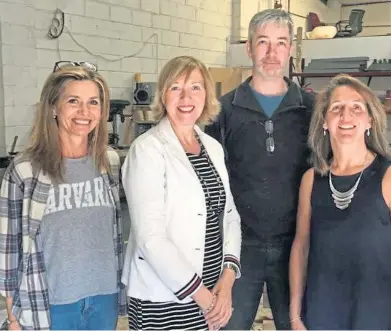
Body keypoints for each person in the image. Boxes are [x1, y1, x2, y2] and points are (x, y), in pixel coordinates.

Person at [205, 9, 314, 330]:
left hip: (297, 246)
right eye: (263, 42)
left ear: (291, 49)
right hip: (239, 249)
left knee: (298, 325)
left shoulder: (312, 110)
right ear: (249, 48)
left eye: (281, 43)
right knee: (227, 325)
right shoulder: (221, 111)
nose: (271, 52)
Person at [0, 63, 127, 330]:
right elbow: (8, 250)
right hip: (50, 304)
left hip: (104, 298)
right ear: (54, 108)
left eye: (93, 102)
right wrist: (12, 317)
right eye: (73, 101)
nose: (84, 112)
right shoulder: (25, 171)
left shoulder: (109, 163)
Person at [122, 55, 242, 330]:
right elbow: (150, 239)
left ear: (206, 95)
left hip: (213, 292)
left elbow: (230, 216)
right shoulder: (147, 150)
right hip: (165, 299)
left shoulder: (212, 147)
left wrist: (227, 281)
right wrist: (204, 299)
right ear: (163, 95)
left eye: (195, 87)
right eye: (176, 87)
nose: (186, 97)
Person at [289, 74, 391, 330]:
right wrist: (295, 316)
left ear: (370, 120)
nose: (346, 116)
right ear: (325, 121)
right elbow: (301, 248)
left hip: (378, 318)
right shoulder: (311, 181)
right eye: (336, 108)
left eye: (356, 107)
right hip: (321, 316)